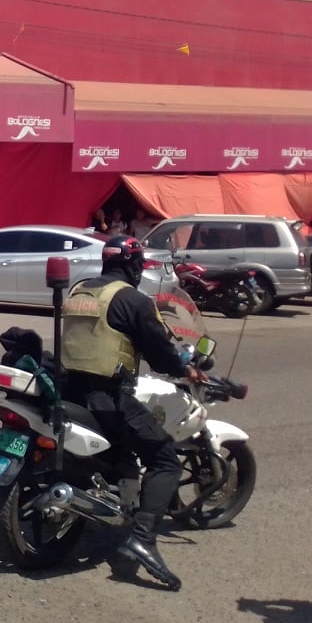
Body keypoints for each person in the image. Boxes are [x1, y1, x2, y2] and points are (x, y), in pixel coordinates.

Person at [59, 235, 207, 591]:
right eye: (139, 264)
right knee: (165, 459)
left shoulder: (79, 291)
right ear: (133, 265)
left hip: (68, 388)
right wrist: (185, 367)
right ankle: (142, 538)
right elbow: (160, 353)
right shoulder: (133, 300)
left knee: (125, 445)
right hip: (107, 397)